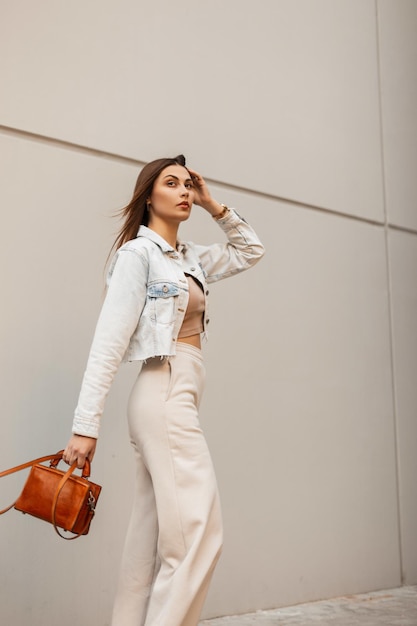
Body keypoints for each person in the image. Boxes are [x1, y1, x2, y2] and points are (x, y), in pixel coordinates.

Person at [63, 154, 265, 626]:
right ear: (148, 195)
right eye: (171, 183)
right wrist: (84, 427)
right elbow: (106, 344)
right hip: (163, 393)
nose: (184, 192)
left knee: (149, 540)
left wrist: (215, 204)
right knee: (197, 534)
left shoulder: (189, 257)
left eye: (188, 185)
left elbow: (250, 249)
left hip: (179, 393)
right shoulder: (138, 256)